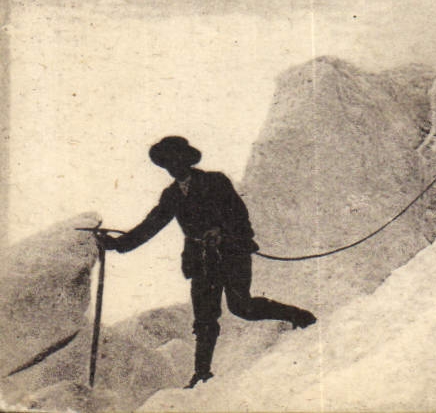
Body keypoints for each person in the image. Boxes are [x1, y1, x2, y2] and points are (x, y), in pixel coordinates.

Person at [94, 136, 315, 388]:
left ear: (186, 161)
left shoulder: (216, 181)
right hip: (200, 261)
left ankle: (299, 316)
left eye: (176, 161)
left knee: (242, 307)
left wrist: (221, 231)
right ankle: (202, 373)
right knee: (204, 318)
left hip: (232, 254)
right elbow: (152, 224)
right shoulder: (171, 195)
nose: (173, 168)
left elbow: (240, 216)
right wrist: (117, 244)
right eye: (167, 164)